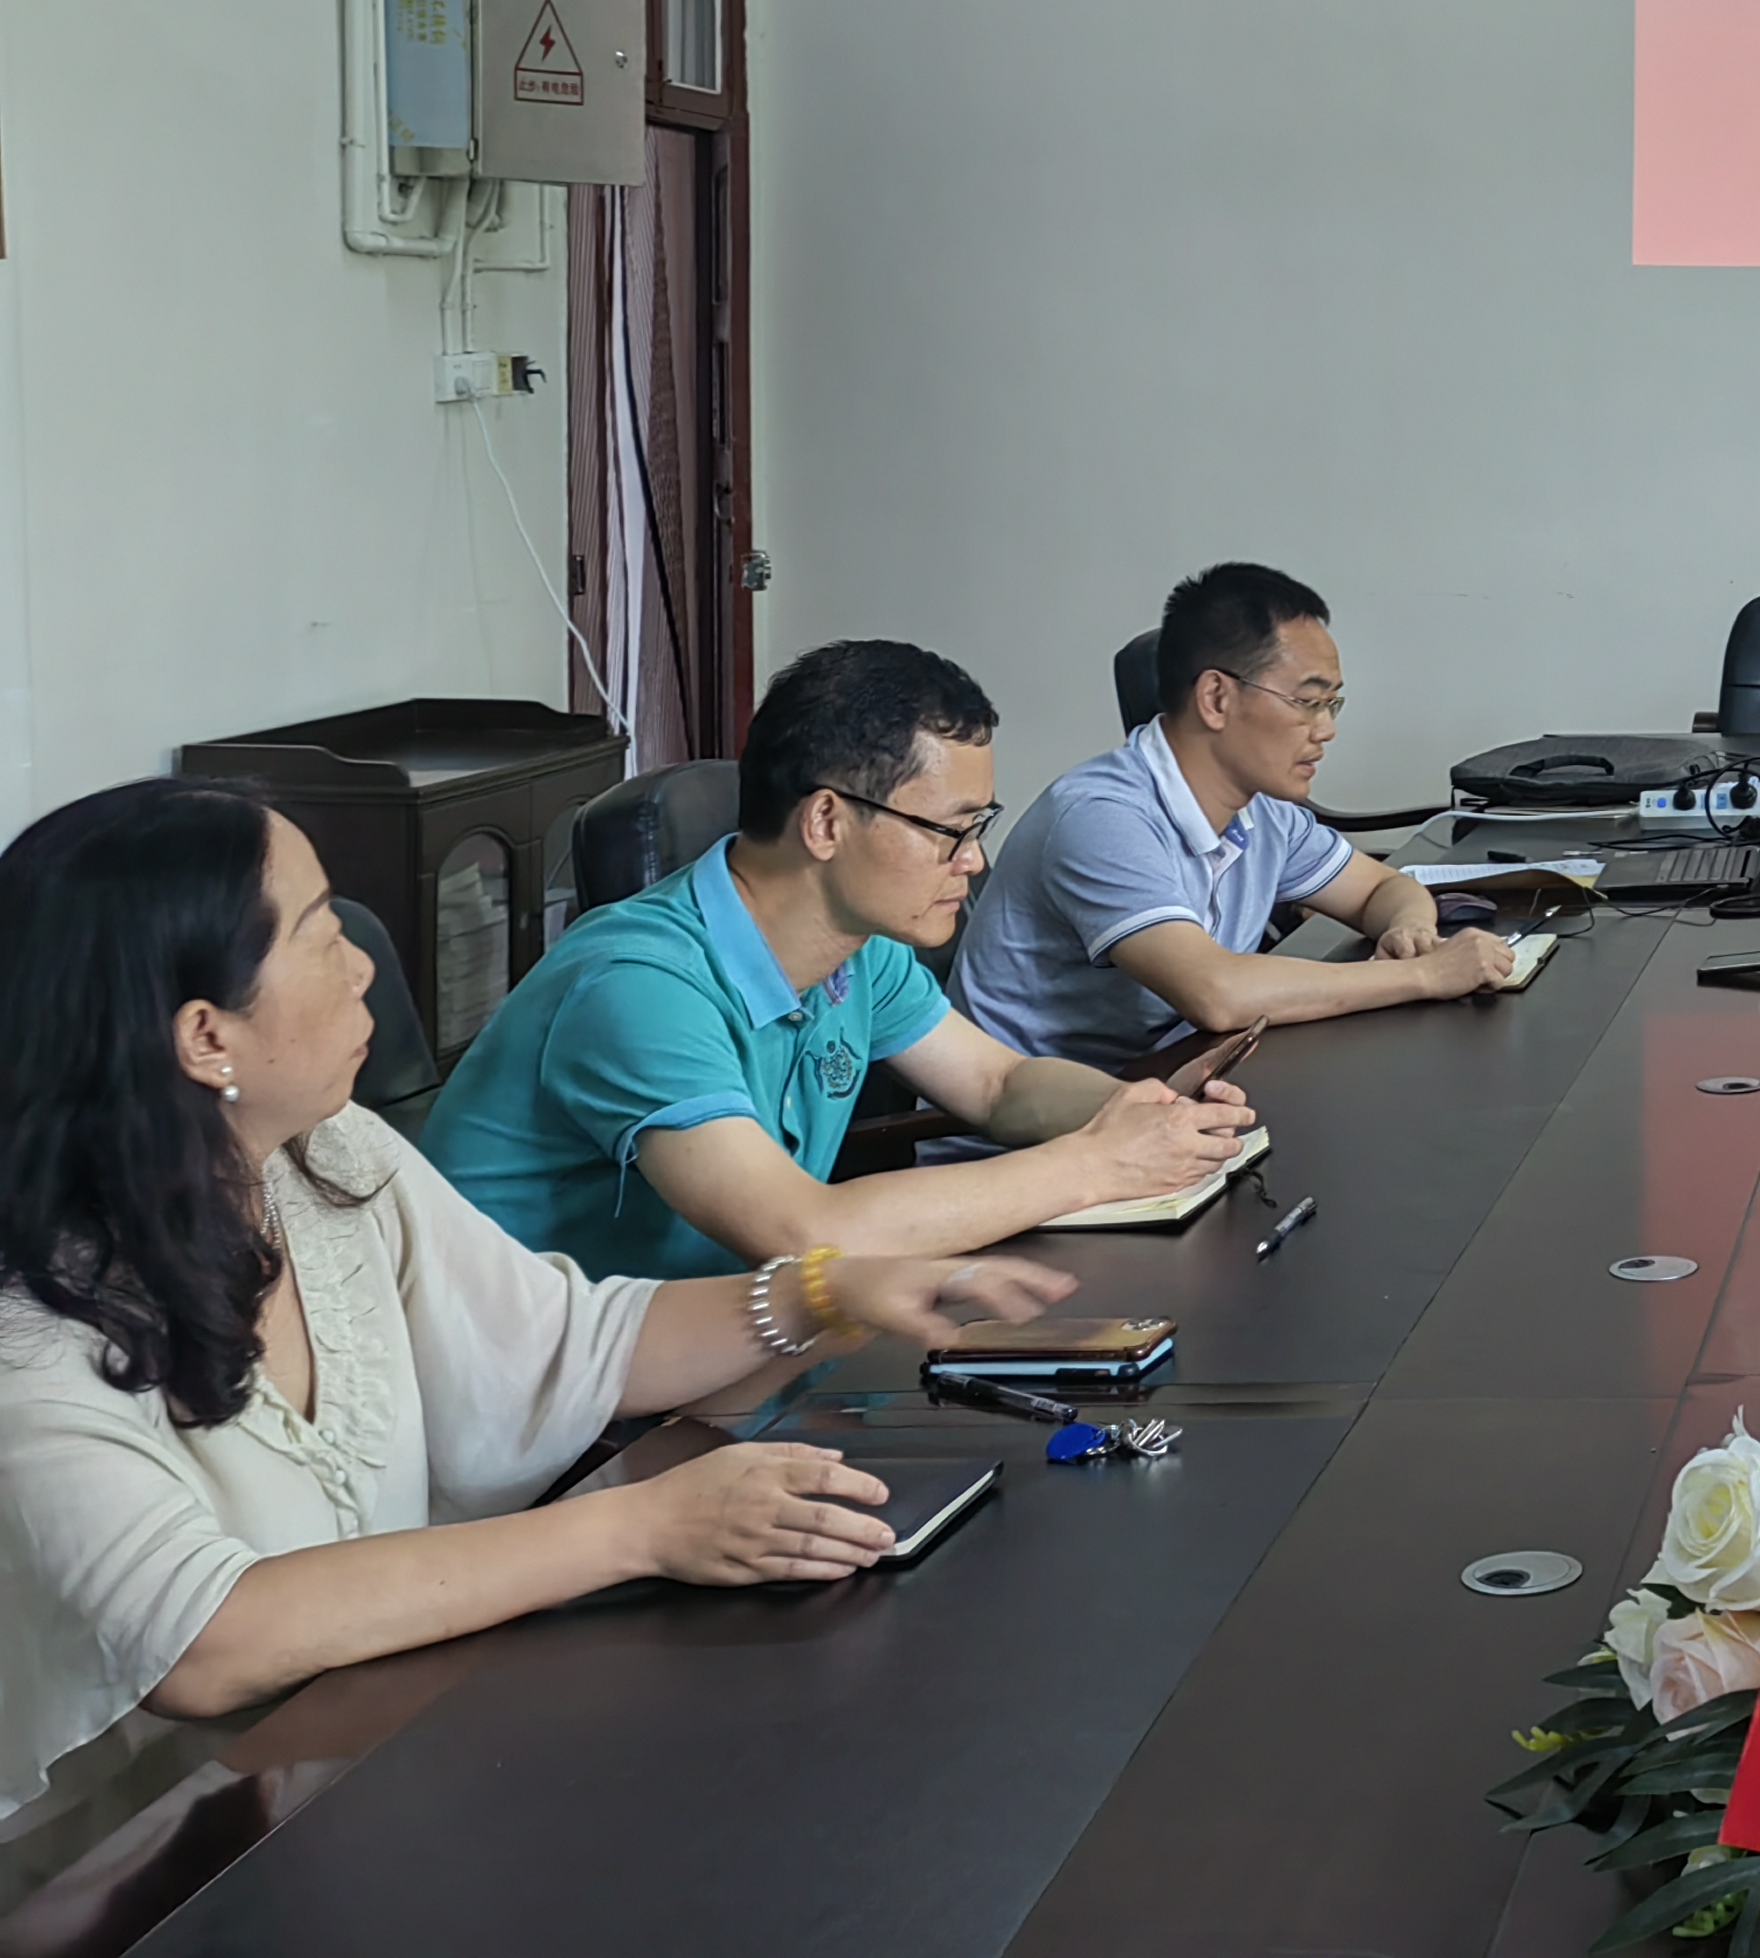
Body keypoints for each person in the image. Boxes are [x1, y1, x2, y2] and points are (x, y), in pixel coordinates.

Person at [0, 781, 1076, 1841]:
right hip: (131, 1858)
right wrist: (644, 1528)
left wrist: (819, 1293)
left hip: (364, 1759)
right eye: (323, 934)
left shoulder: (325, 1157)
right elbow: (206, 1642)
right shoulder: (31, 1333)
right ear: (205, 1037)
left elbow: (567, 1341)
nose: (364, 965)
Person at [420, 639, 1254, 1279]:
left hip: (737, 1340)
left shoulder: (859, 950)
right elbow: (802, 1232)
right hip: (557, 1409)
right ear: (825, 822)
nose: (972, 861)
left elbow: (999, 1085)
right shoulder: (638, 988)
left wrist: (1147, 1114)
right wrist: (1097, 1161)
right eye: (950, 831)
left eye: (979, 828)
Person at [954, 563, 1509, 1072]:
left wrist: (1410, 931)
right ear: (1216, 698)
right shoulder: (1101, 819)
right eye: (1308, 702)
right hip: (1041, 1131)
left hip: (1173, 1087)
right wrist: (1423, 974)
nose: (1326, 729)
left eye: (1331, 704)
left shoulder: (1263, 811)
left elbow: (1381, 890)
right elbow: (1216, 993)